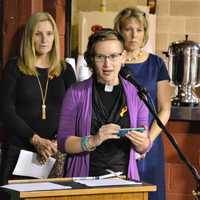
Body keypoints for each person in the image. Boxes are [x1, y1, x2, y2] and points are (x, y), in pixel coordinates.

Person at [57, 28, 151, 180]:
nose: (108, 64)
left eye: (114, 56)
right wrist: (94, 140)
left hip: (124, 181)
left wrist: (143, 143)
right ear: (92, 59)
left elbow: (144, 145)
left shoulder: (137, 94)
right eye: (101, 57)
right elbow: (63, 142)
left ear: (123, 57)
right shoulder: (75, 93)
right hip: (85, 180)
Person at [0, 12, 76, 185]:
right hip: (20, 150)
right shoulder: (15, 67)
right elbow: (6, 111)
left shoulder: (65, 70)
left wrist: (57, 141)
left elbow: (74, 112)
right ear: (29, 37)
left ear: (55, 37)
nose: (44, 39)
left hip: (55, 152)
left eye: (49, 34)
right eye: (38, 33)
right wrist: (35, 139)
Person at [114, 7, 171, 200]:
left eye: (139, 30)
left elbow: (164, 109)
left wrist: (148, 141)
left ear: (145, 33)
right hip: (118, 143)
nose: (133, 35)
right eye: (128, 29)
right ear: (119, 31)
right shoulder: (112, 63)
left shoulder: (157, 64)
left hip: (150, 141)